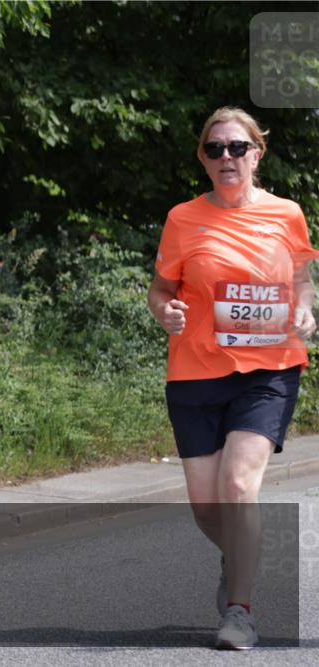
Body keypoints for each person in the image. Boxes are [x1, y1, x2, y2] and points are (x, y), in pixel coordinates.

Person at [147, 107, 317, 650]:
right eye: (215, 148)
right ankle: (238, 556)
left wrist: (306, 309)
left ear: (256, 155)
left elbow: (302, 278)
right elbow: (160, 290)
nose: (227, 157)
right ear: (203, 158)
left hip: (268, 369)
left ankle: (240, 611)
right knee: (206, 507)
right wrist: (165, 312)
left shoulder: (286, 214)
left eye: (237, 147)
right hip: (195, 372)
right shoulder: (182, 219)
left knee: (239, 486)